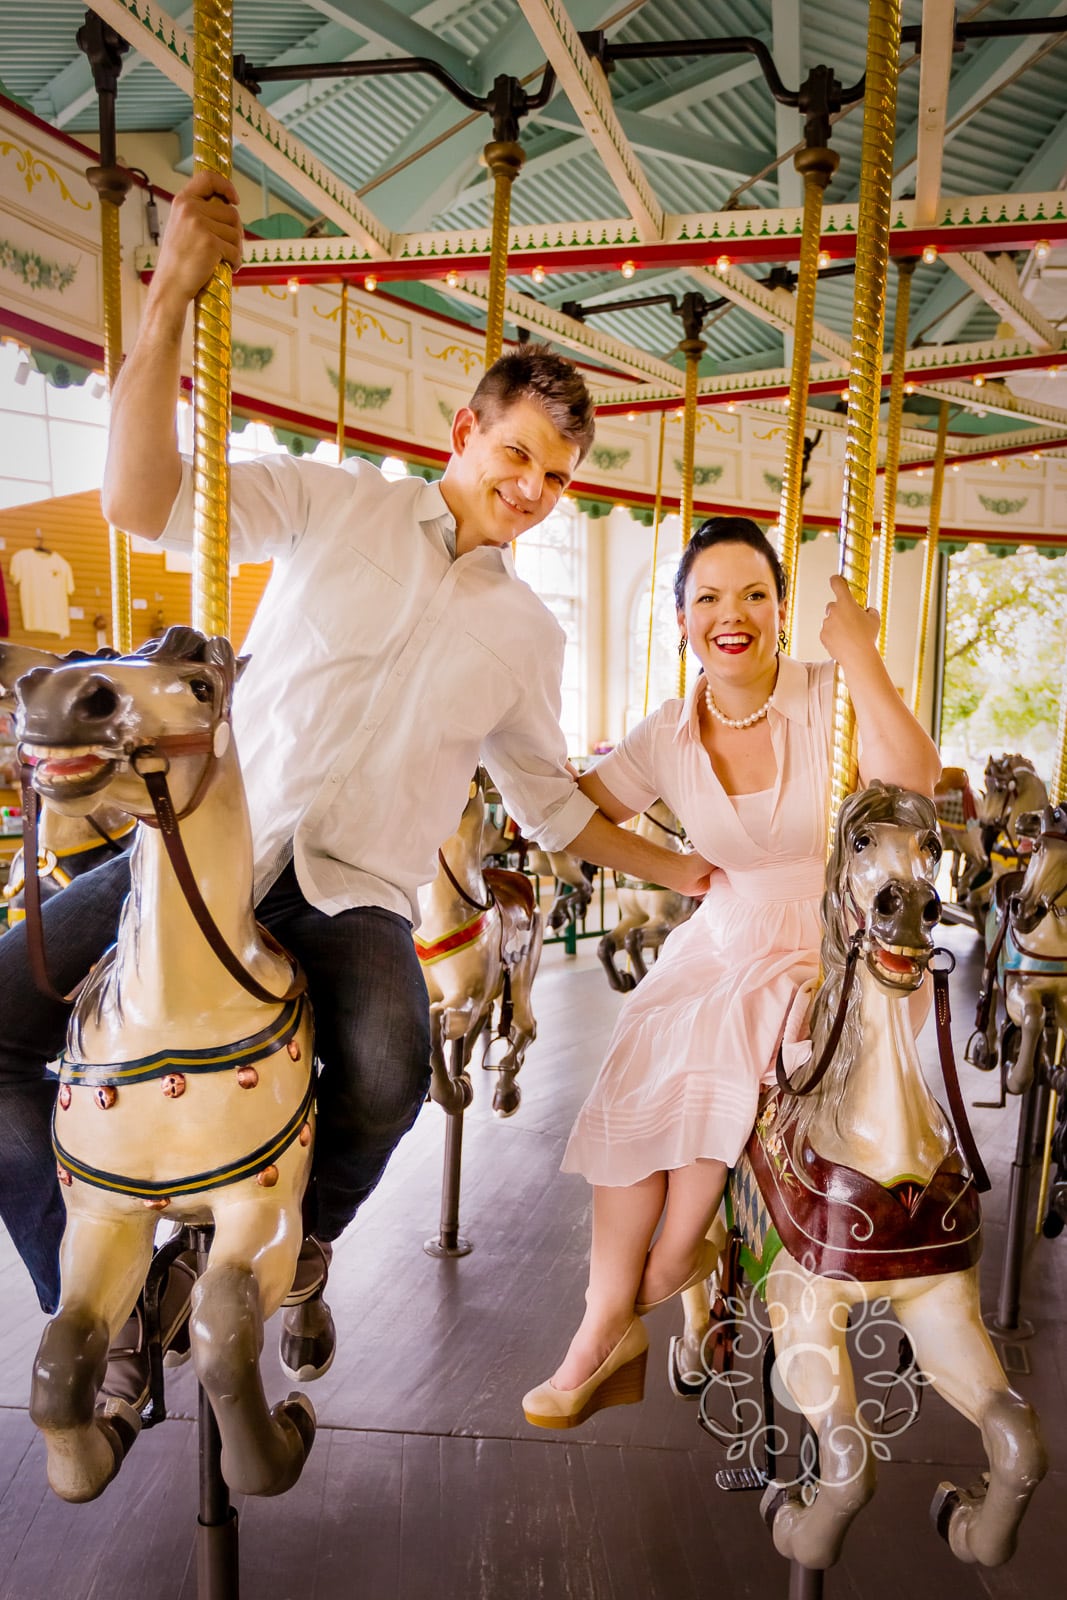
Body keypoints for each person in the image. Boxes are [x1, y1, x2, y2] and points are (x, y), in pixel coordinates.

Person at [0, 171, 712, 1397]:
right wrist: (169, 296)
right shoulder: (336, 505)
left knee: (388, 1067)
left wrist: (682, 866)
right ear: (463, 434)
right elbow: (142, 499)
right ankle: (86, 1294)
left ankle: (303, 1235)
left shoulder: (524, 638)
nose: (533, 490)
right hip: (200, 857)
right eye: (518, 455)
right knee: (1, 1019)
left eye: (557, 476)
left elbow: (553, 808)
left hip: (350, 895)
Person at [521, 516, 941, 1430]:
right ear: (680, 619)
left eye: (753, 594)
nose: (731, 614)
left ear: (781, 612)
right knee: (638, 1053)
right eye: (707, 597)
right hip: (720, 933)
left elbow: (914, 783)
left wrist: (859, 654)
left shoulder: (828, 697)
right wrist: (669, 870)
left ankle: (669, 1269)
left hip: (827, 942)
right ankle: (601, 1324)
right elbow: (562, 811)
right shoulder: (667, 733)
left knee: (727, 1037)